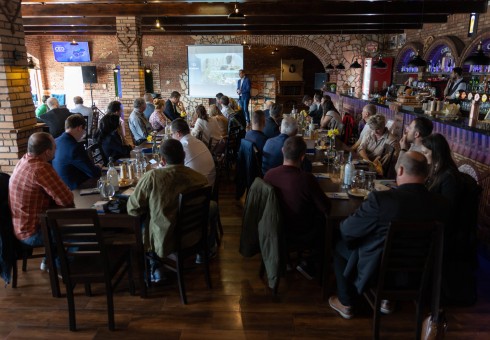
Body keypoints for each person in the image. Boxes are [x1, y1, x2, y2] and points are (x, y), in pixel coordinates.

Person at [328, 152, 449, 319]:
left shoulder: (381, 201)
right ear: (426, 174)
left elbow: (347, 230)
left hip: (378, 273)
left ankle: (346, 302)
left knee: (340, 245)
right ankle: (387, 299)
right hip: (421, 276)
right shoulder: (441, 204)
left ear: (400, 170)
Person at [421, 133, 480, 305]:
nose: (423, 156)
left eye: (426, 153)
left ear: (437, 152)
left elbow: (447, 210)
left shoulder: (448, 177)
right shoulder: (435, 171)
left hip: (444, 231)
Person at [127, 138, 209, 263]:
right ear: (184, 156)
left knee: (145, 217)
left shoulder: (152, 177)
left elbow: (133, 209)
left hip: (165, 239)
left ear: (163, 160)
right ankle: (203, 253)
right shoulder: (199, 178)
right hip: (193, 235)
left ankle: (155, 266)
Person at [264, 136, 331, 280]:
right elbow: (326, 208)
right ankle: (311, 262)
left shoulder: (269, 175)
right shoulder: (307, 179)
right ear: (302, 157)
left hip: (274, 229)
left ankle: (287, 258)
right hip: (300, 231)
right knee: (326, 224)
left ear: (282, 151)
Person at [9, 132, 74, 247]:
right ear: (47, 152)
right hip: (33, 233)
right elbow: (66, 200)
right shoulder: (40, 168)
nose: (56, 149)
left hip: (20, 228)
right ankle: (62, 263)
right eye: (55, 147)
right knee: (82, 232)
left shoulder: (23, 160)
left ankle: (51, 259)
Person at [52, 114, 101, 190]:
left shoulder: (55, 141)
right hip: (75, 188)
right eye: (83, 130)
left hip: (59, 185)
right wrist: (98, 167)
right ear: (79, 128)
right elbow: (93, 173)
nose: (83, 134)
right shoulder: (75, 147)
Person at [171, 118, 216, 186]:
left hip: (201, 188)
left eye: (172, 134)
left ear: (178, 134)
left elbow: (173, 170)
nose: (172, 136)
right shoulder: (197, 141)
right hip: (211, 182)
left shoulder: (183, 146)